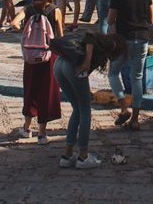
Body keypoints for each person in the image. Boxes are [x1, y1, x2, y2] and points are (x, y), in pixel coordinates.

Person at [54, 31, 126, 169]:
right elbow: (89, 37)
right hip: (72, 67)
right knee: (85, 110)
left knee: (77, 109)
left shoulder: (101, 50)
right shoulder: (111, 44)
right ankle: (83, 156)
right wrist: (87, 61)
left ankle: (67, 156)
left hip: (59, 65)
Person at [106, 0, 153, 130]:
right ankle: (135, 119)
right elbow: (152, 19)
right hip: (142, 39)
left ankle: (123, 107)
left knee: (113, 73)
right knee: (137, 78)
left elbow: (110, 19)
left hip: (124, 40)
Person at [19, 0, 62, 143]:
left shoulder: (28, 9)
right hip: (49, 57)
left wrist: (26, 35)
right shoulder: (54, 11)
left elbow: (14, 23)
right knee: (46, 92)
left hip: (31, 57)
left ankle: (26, 127)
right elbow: (60, 37)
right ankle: (42, 133)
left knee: (30, 89)